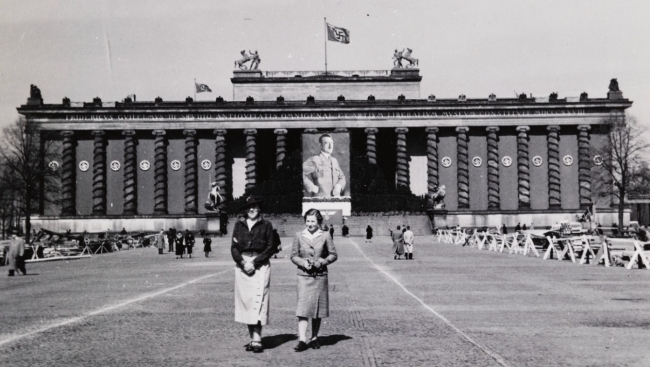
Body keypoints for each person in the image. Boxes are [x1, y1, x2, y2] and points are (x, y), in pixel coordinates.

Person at [231, 195, 275, 353]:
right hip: (243, 265)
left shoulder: (266, 225)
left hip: (259, 264)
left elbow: (270, 247)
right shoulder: (238, 225)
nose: (252, 209)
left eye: (255, 207)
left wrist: (254, 263)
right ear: (245, 209)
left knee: (258, 300)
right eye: (249, 207)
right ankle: (252, 338)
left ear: (259, 208)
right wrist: (243, 263)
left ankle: (257, 339)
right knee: (247, 302)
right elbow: (234, 247)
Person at [290, 208, 338, 352]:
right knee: (303, 309)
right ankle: (302, 340)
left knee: (318, 310)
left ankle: (315, 337)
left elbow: (333, 255)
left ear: (318, 222)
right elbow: (293, 255)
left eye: (313, 221)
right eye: (308, 221)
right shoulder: (299, 235)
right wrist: (303, 263)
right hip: (303, 276)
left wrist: (321, 262)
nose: (310, 224)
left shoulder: (325, 235)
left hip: (319, 276)